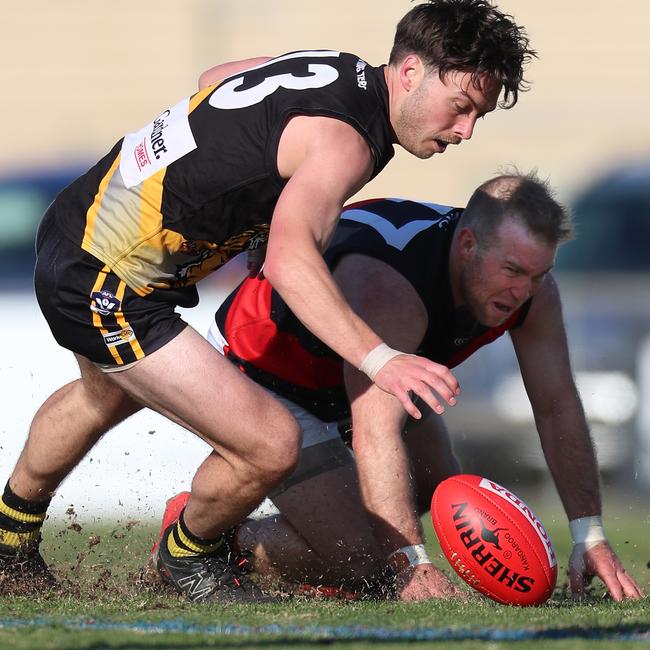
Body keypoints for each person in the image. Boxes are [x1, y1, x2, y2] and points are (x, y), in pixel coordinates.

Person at [0, 1, 534, 601]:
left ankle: (7, 543)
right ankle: (187, 561)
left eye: (478, 116)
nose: (464, 130)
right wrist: (380, 358)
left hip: (79, 221)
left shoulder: (338, 68)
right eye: (461, 107)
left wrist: (255, 205)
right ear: (410, 72)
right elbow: (289, 262)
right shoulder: (348, 140)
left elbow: (216, 82)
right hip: (104, 272)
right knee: (270, 444)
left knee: (103, 396)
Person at [153, 172, 645, 603]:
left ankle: (326, 536)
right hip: (267, 369)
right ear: (468, 246)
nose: (523, 291)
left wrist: (591, 534)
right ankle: (215, 533)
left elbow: (557, 406)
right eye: (513, 271)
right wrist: (411, 563)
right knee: (367, 564)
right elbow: (374, 430)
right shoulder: (393, 288)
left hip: (365, 372)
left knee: (435, 486)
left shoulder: (528, 291)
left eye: (538, 274)